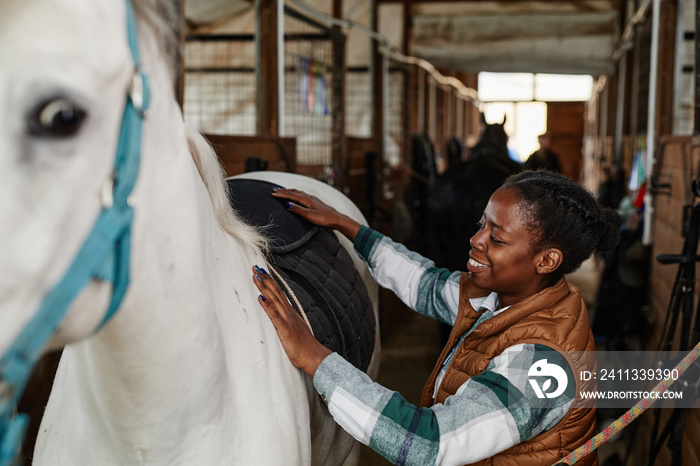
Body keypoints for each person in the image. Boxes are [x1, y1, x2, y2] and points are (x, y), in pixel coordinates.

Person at [252, 170, 622, 466]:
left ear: (546, 260)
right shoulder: (502, 296)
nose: (476, 240)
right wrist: (346, 226)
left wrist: (315, 358)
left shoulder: (542, 365)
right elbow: (424, 283)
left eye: (498, 237)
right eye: (482, 225)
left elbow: (427, 444)